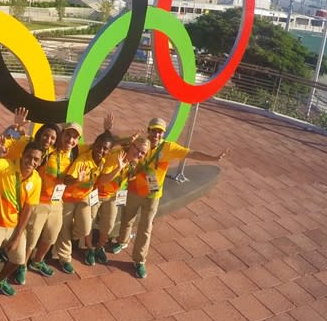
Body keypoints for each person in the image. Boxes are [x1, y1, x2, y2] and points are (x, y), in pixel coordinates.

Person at [110, 117, 228, 279]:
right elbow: (118, 145)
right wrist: (109, 131)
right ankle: (122, 241)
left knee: (145, 227)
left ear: (163, 133)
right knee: (127, 218)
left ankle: (139, 260)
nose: (156, 134)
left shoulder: (168, 148)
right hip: (133, 190)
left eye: (160, 131)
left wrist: (213, 158)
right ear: (148, 130)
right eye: (154, 130)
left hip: (152, 195)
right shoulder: (139, 143)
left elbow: (191, 153)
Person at [0, 140, 44, 307]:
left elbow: (28, 208)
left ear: (40, 161)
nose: (31, 162)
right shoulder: (6, 165)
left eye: (36, 160)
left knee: (19, 258)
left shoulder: (36, 180)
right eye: (29, 157)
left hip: (13, 224)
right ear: (23, 154)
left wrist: (18, 236)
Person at [54, 131, 116, 272]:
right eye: (99, 146)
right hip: (68, 198)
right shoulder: (82, 160)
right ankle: (65, 258)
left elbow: (120, 146)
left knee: (85, 228)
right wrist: (77, 179)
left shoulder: (104, 161)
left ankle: (69, 236)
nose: (101, 150)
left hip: (84, 198)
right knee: (65, 228)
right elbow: (67, 180)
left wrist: (109, 130)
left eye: (105, 149)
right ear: (94, 145)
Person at [90, 137, 150, 264]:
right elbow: (101, 181)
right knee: (89, 221)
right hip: (96, 193)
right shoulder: (117, 156)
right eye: (137, 149)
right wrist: (118, 168)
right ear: (132, 146)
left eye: (142, 153)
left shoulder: (135, 162)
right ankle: (89, 249)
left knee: (109, 224)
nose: (139, 154)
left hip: (112, 196)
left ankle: (99, 248)